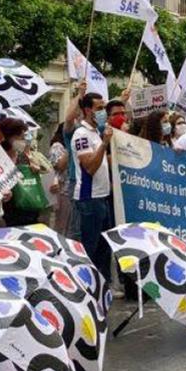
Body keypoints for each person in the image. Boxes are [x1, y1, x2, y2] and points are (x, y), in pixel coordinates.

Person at [73, 93, 116, 283]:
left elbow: (102, 162)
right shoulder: (81, 134)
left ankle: (103, 284)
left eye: (103, 108)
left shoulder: (96, 133)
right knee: (90, 246)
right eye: (99, 108)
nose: (103, 112)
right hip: (89, 198)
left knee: (104, 247)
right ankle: (86, 284)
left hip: (102, 196)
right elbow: (89, 166)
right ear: (87, 110)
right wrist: (105, 144)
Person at [0, 118, 44, 227]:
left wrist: (35, 170)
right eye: (20, 137)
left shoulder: (24, 156)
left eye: (24, 137)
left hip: (28, 208)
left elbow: (40, 176)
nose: (24, 141)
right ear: (8, 137)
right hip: (6, 212)